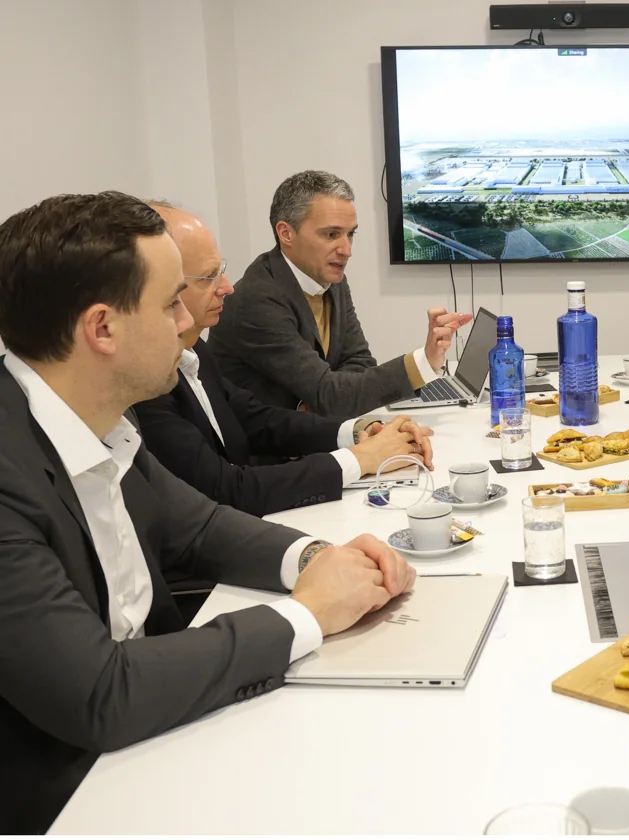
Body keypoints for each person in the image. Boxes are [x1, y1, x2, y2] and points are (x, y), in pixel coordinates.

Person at [0, 192, 416, 833]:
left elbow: (197, 523)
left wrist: (318, 559)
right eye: (170, 303)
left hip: (153, 732)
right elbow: (100, 694)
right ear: (102, 329)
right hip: (74, 794)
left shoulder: (102, 420)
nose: (188, 321)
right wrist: (308, 612)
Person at [134, 203, 434, 517]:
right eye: (209, 277)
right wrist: (360, 458)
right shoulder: (148, 380)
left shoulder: (194, 349)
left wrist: (356, 431)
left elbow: (255, 419)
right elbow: (225, 490)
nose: (227, 287)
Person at [207, 170, 471, 416]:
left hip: (313, 437)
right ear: (286, 233)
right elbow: (330, 394)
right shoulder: (257, 299)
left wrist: (327, 398)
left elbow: (359, 361)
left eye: (350, 235)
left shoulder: (331, 279)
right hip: (268, 457)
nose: (346, 250)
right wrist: (423, 362)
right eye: (332, 234)